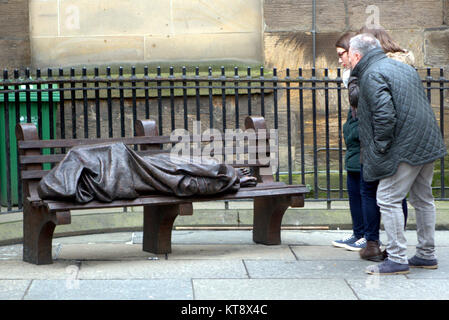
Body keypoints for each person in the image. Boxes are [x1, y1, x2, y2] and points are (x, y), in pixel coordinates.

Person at [348, 33, 447, 275]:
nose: (348, 61)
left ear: (357, 55)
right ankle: (426, 254)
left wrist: (381, 147)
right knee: (423, 198)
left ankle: (397, 258)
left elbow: (384, 115)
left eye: (349, 56)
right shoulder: (400, 67)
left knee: (387, 198)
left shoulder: (371, 74)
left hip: (403, 145)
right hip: (426, 141)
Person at [352, 26, 411, 261]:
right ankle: (400, 246)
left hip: (382, 141)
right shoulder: (403, 65)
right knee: (400, 195)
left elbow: (381, 111)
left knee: (372, 191)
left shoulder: (372, 69)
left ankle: (378, 245)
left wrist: (381, 144)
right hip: (405, 140)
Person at [331, 32, 367, 250]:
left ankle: (366, 236)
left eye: (341, 54)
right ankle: (358, 232)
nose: (339, 60)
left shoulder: (363, 78)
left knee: (365, 191)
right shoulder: (351, 77)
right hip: (355, 146)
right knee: (354, 190)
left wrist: (353, 133)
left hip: (363, 146)